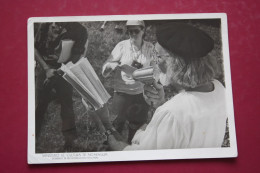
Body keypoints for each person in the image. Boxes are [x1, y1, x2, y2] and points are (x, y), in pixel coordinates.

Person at [107, 22, 227, 150]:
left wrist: (119, 146)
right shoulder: (220, 89)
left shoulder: (172, 113)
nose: (155, 62)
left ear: (175, 63)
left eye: (158, 56)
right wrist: (160, 104)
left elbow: (147, 161)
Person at [35, 22, 88, 150]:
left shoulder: (80, 30)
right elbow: (34, 48)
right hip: (45, 67)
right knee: (38, 105)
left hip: (65, 69)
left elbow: (76, 56)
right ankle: (32, 139)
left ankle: (69, 142)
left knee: (67, 106)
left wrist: (59, 72)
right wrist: (47, 69)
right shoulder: (45, 24)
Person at [102, 20, 155, 143]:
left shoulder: (150, 47)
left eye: (136, 31)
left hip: (141, 94)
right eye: (130, 31)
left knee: (137, 127)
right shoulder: (121, 46)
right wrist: (111, 66)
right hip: (122, 92)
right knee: (116, 125)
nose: (133, 34)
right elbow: (106, 67)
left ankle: (133, 152)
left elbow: (156, 70)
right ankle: (112, 153)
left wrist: (145, 72)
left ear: (143, 31)